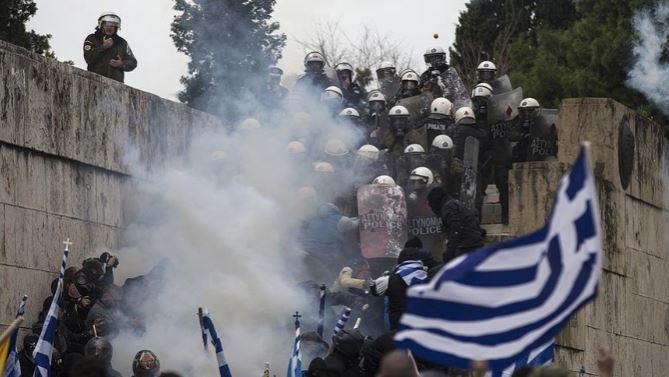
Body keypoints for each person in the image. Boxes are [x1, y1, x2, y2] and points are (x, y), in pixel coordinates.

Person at [427, 186, 484, 263]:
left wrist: (449, 252)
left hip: (466, 247)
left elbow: (456, 230)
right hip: (471, 245)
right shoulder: (453, 204)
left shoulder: (449, 207)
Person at [83, 12, 137, 83]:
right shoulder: (92, 38)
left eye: (113, 25)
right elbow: (89, 59)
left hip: (116, 85)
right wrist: (103, 47)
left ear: (116, 27)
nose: (110, 27)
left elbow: (132, 62)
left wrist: (121, 64)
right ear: (101, 25)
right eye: (107, 24)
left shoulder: (122, 42)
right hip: (95, 81)